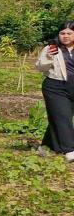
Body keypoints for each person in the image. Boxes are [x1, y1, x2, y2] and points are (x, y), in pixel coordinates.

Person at [36, 21, 74, 159]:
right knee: (63, 117)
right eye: (62, 33)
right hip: (55, 87)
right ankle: (70, 151)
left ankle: (46, 146)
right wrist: (49, 57)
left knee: (60, 117)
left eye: (69, 33)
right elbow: (40, 67)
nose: (65, 36)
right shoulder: (52, 48)